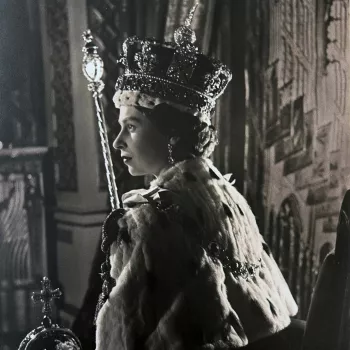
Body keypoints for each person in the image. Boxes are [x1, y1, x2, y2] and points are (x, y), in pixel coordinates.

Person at [94, 7, 300, 350]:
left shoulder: (149, 218)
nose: (118, 142)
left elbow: (119, 342)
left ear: (169, 131)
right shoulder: (224, 191)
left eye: (131, 126)